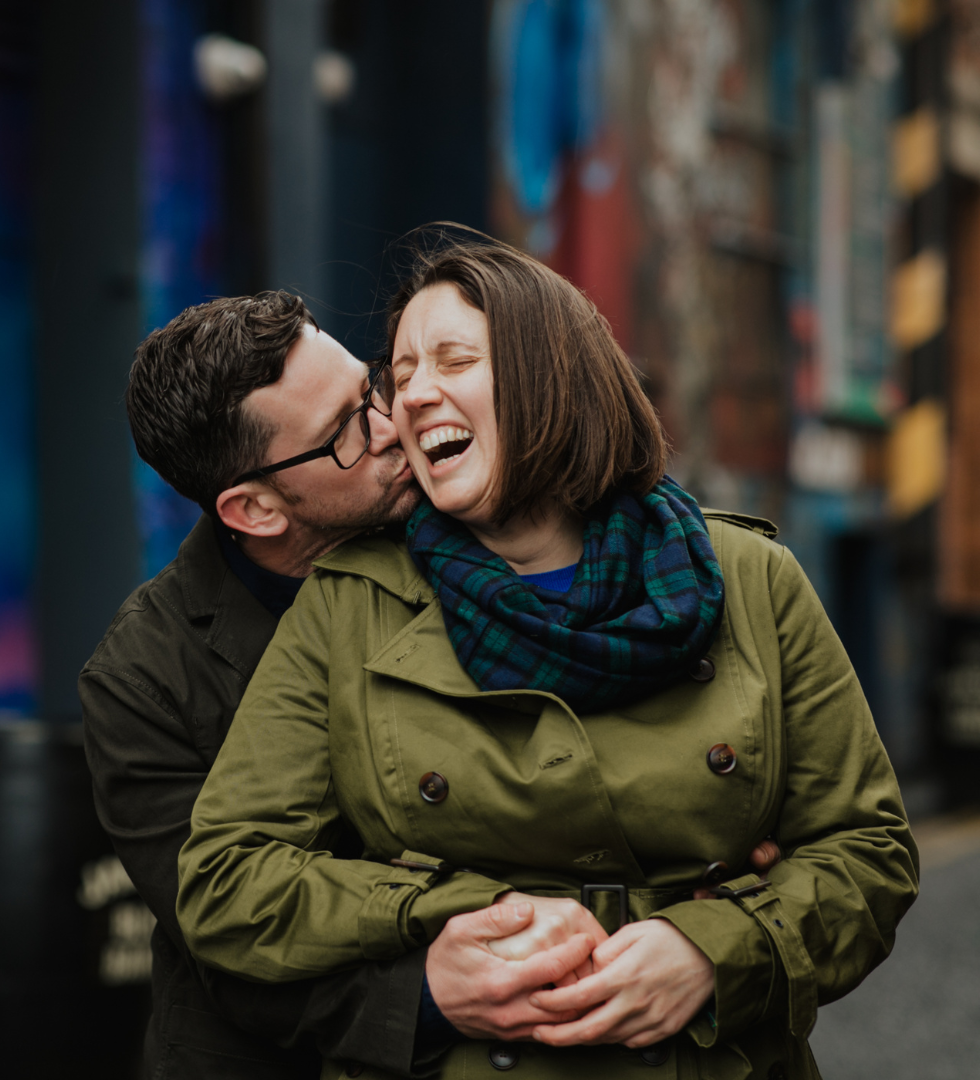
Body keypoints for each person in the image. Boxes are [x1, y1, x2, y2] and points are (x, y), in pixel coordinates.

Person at [176, 237, 920, 1080]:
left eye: (455, 359)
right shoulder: (351, 604)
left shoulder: (750, 581)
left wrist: (715, 952)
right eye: (401, 370)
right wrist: (451, 918)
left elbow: (868, 851)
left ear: (553, 376)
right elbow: (228, 878)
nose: (412, 396)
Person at [80, 291, 620, 1079]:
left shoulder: (466, 523)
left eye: (369, 387)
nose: (390, 424)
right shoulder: (141, 680)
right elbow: (226, 942)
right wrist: (428, 995)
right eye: (342, 434)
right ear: (256, 508)